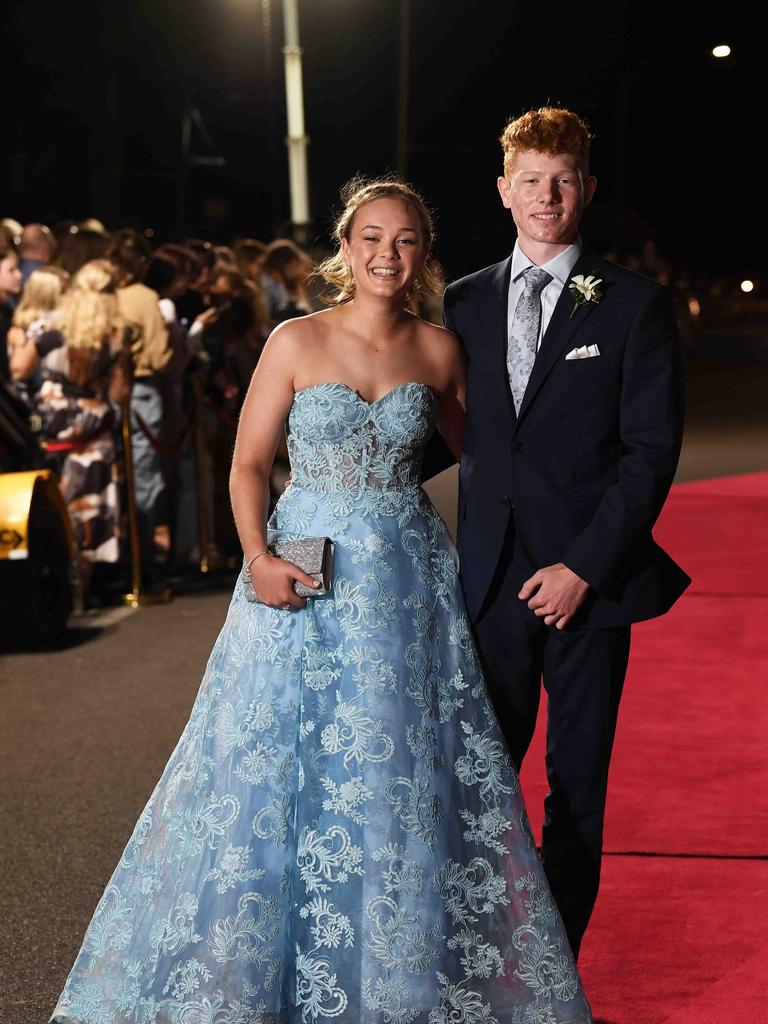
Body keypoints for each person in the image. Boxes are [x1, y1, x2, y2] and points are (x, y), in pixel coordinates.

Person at [51, 177, 592, 1024]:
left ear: (423, 254)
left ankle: (391, 975)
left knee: (396, 770)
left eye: (405, 240)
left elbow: (491, 463)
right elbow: (244, 466)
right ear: (344, 247)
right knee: (273, 763)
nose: (387, 254)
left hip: (407, 581)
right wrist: (260, 554)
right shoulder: (295, 341)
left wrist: (574, 518)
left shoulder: (440, 350)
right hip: (301, 569)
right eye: (371, 237)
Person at [442, 107, 690, 958]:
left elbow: (650, 456)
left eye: (563, 180)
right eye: (531, 181)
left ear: (586, 188)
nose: (547, 197)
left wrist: (583, 566)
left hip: (589, 587)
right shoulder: (461, 302)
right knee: (479, 780)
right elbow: (441, 432)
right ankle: (478, 960)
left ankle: (553, 971)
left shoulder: (635, 306)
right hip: (486, 587)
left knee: (575, 789)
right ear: (503, 189)